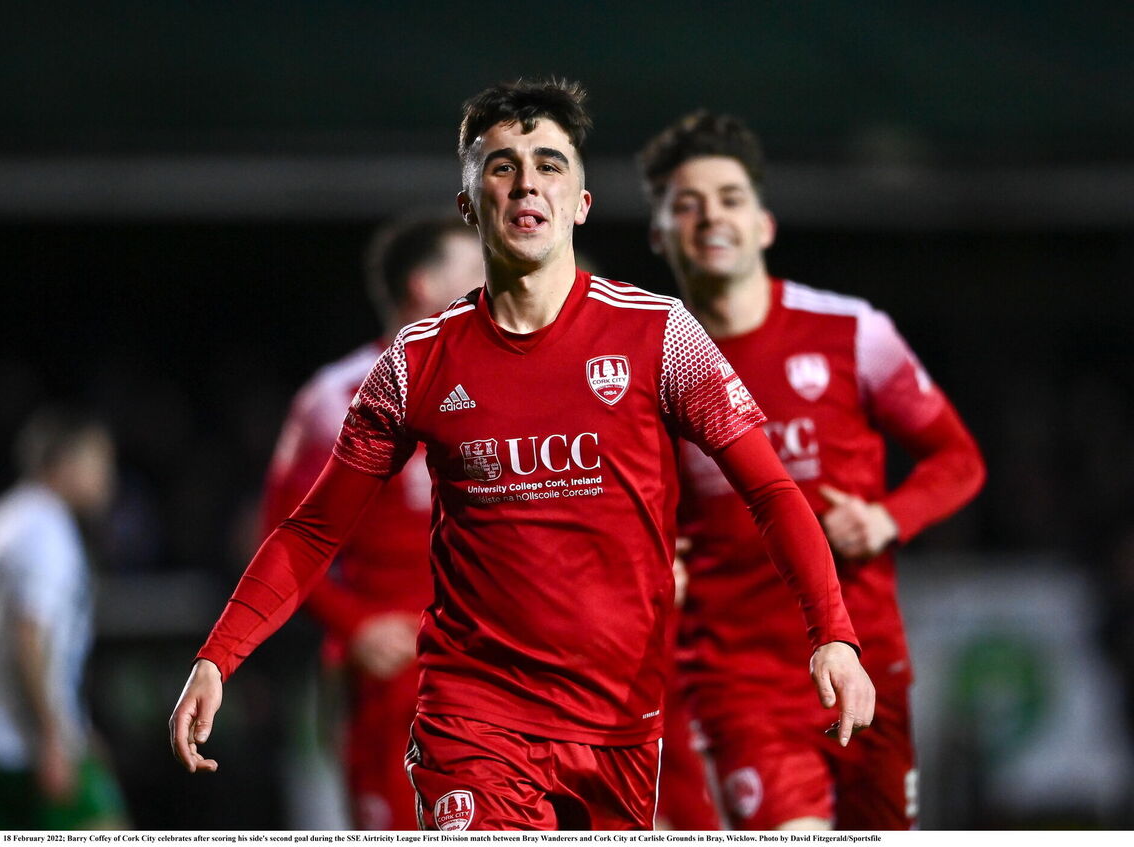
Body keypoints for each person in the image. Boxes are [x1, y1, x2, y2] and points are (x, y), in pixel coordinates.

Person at [171, 79, 874, 831]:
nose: (527, 181)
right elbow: (311, 530)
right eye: (502, 165)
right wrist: (218, 655)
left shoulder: (661, 337)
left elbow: (769, 489)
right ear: (470, 203)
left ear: (580, 202)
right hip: (474, 718)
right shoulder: (415, 365)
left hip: (619, 722)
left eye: (549, 163)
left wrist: (833, 632)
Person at [638, 111, 987, 830]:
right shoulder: (645, 362)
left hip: (867, 662)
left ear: (763, 225)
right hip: (738, 678)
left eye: (730, 198)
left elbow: (959, 459)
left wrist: (889, 518)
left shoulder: (853, 332)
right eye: (687, 204)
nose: (711, 217)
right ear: (660, 235)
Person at [259, 214, 481, 829]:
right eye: (475, 275)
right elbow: (285, 540)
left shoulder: (504, 389)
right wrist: (356, 628)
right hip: (397, 684)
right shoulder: (338, 399)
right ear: (423, 286)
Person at [0, 408, 126, 829]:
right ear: (64, 463)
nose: (107, 477)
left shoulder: (1, 518)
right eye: (100, 461)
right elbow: (28, 634)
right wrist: (54, 734)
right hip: (23, 742)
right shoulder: (45, 529)